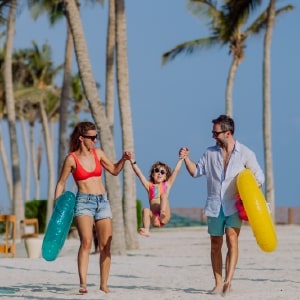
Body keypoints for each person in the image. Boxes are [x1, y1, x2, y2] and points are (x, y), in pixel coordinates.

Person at [179, 114, 264, 296]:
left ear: (227, 133)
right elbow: (196, 172)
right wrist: (186, 158)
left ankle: (228, 281)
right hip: (214, 206)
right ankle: (218, 283)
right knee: (215, 244)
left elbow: (259, 177)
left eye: (215, 133)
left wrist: (249, 190)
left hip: (233, 205)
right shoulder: (210, 153)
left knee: (232, 239)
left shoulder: (246, 154)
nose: (213, 136)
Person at [54, 121, 131, 294]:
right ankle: (83, 283)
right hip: (83, 202)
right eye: (92, 137)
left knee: (106, 245)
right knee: (87, 242)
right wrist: (57, 206)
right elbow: (61, 183)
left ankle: (104, 284)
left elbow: (114, 170)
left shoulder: (99, 153)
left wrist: (123, 160)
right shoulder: (71, 159)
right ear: (81, 138)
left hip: (102, 202)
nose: (95, 140)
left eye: (96, 137)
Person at [129, 154, 183, 237]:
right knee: (146, 210)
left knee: (163, 195)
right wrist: (132, 160)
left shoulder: (167, 185)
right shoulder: (149, 186)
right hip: (155, 220)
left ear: (165, 176)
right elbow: (138, 173)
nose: (159, 173)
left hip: (164, 216)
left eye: (162, 172)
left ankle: (162, 211)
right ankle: (147, 230)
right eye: (157, 170)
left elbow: (176, 171)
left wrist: (181, 159)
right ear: (152, 174)